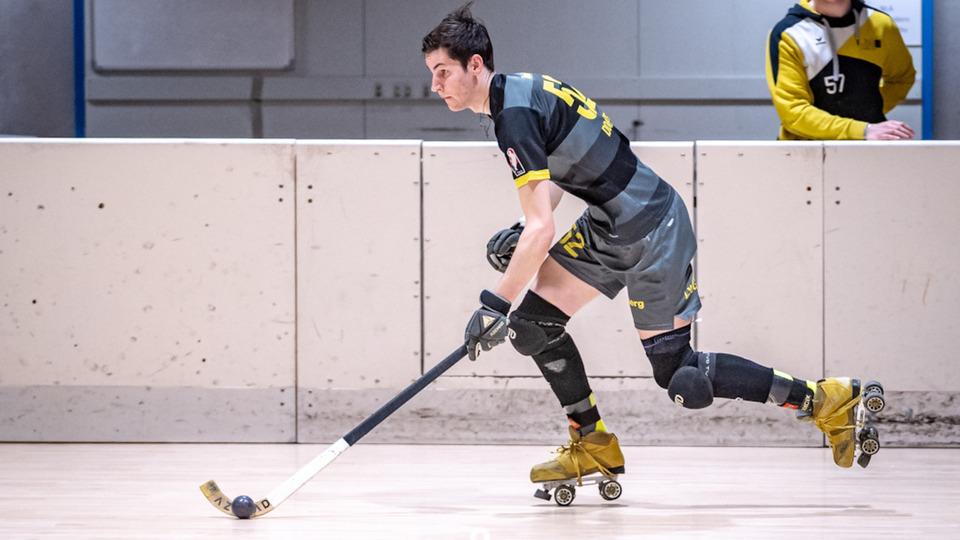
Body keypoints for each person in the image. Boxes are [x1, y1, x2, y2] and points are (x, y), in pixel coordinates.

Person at [422, 3, 885, 499]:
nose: (435, 86)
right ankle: (592, 441)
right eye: (432, 74)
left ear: (475, 64)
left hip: (652, 226)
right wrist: (520, 229)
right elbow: (553, 183)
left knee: (678, 373)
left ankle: (825, 400)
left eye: (442, 72)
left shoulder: (512, 114)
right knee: (534, 325)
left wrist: (493, 303)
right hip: (610, 223)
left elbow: (542, 231)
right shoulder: (520, 91)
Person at [766, 0, 916, 140]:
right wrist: (860, 129)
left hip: (868, 146)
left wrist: (868, 113)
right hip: (806, 151)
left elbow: (902, 78)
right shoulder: (788, 33)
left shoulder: (881, 24)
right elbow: (793, 112)